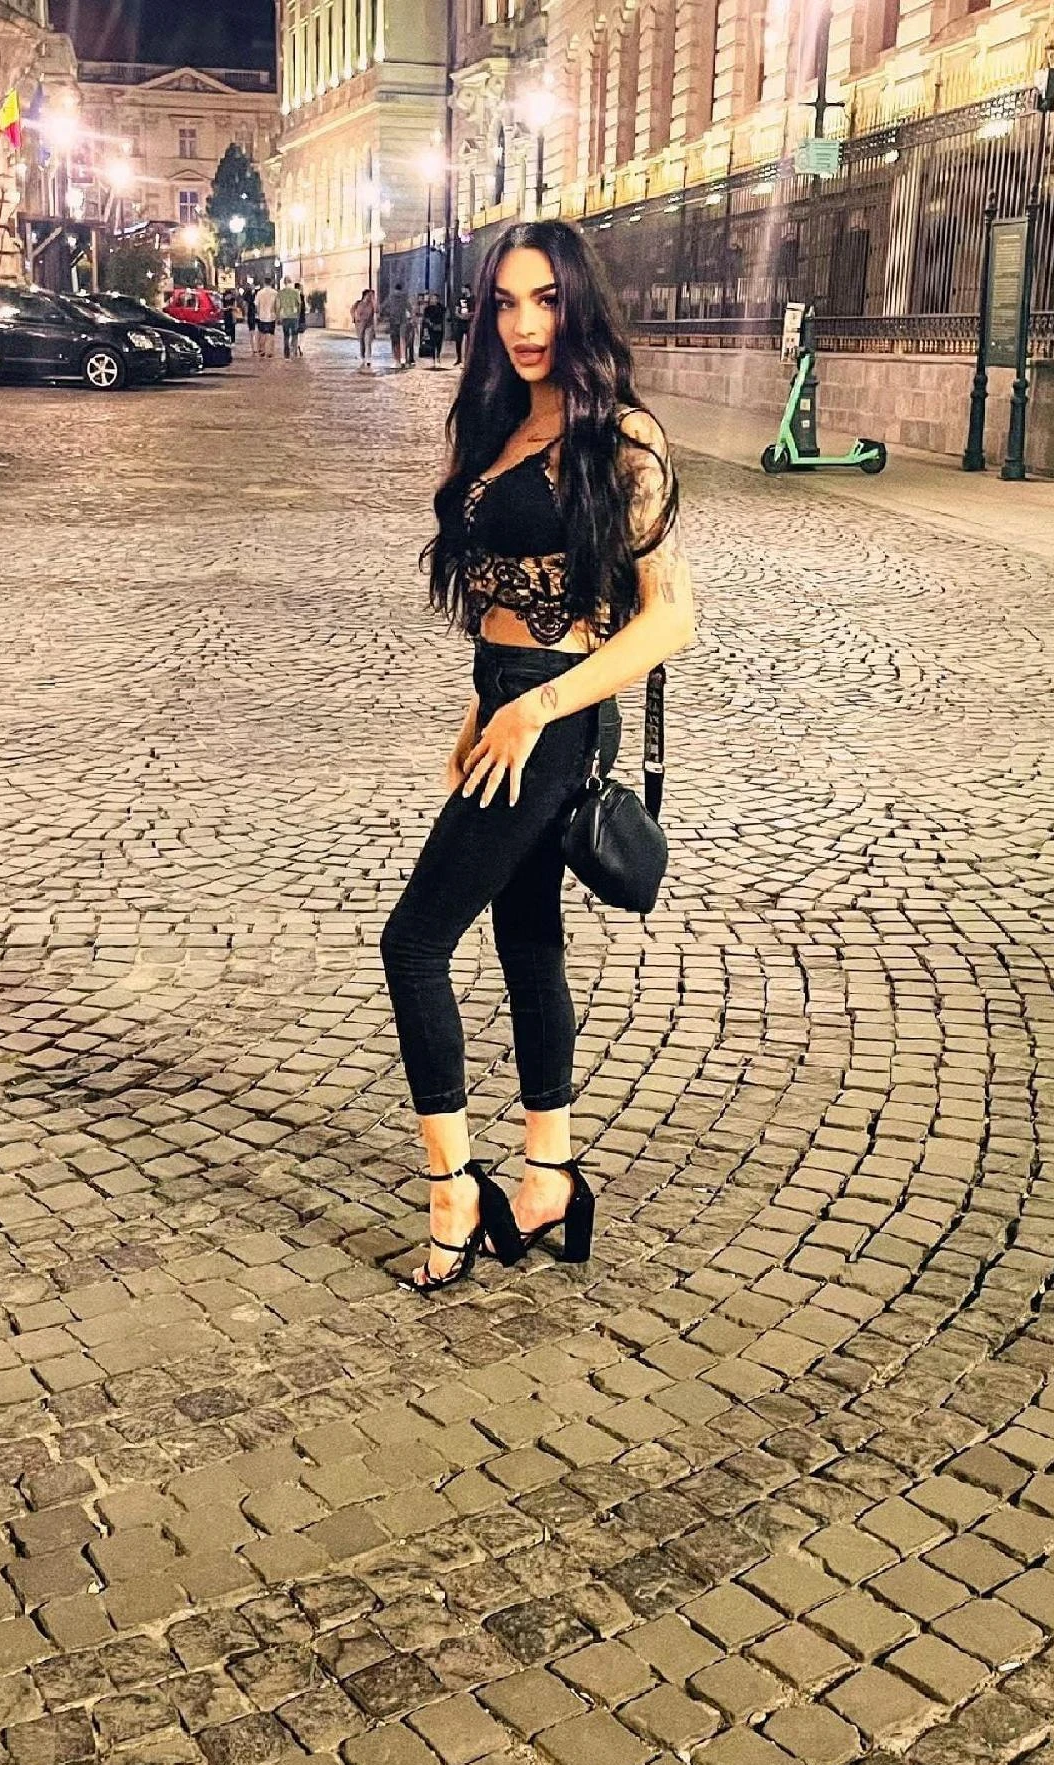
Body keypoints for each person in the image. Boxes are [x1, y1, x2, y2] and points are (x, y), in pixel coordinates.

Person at [379, 219, 695, 1293]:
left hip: (559, 719)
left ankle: (454, 1194)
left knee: (413, 941)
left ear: (580, 304)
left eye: (546, 300)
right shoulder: (502, 421)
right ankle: (549, 1172)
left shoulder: (623, 436)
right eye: (506, 302)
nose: (525, 324)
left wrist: (532, 711)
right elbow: (501, 600)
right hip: (509, 706)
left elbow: (669, 619)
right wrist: (483, 706)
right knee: (525, 939)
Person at [277, 275, 304, 358]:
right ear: (291, 282)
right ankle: (294, 351)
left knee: (286, 335)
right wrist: (298, 314)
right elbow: (299, 304)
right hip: (294, 316)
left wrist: (278, 316)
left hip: (285, 316)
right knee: (294, 335)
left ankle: (286, 353)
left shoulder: (281, 293)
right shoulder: (295, 292)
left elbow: (278, 306)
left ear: (284, 283)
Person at [351, 287, 377, 371]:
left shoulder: (372, 304)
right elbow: (352, 310)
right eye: (370, 295)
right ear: (365, 295)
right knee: (362, 342)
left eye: (372, 296)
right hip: (360, 325)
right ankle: (362, 356)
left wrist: (374, 301)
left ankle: (368, 358)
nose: (371, 297)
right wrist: (354, 318)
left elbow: (377, 310)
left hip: (369, 325)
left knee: (368, 341)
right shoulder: (358, 303)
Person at [385, 283, 409, 367]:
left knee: (394, 341)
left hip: (393, 321)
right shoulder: (404, 298)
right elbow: (409, 307)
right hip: (403, 320)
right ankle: (403, 358)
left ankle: (396, 359)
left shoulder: (390, 297)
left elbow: (384, 307)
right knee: (402, 339)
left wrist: (388, 313)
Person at [254, 276, 278, 357]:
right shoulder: (275, 293)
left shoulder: (260, 293)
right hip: (272, 316)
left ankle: (262, 350)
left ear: (264, 283)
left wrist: (258, 313)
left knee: (262, 333)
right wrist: (277, 315)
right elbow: (277, 305)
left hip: (262, 316)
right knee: (271, 334)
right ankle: (270, 351)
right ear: (271, 283)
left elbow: (257, 305)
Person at [421, 291, 446, 366]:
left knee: (439, 343)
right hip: (431, 327)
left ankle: (438, 357)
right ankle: (433, 359)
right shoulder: (427, 308)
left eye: (435, 299)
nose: (434, 300)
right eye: (432, 298)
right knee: (432, 343)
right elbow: (425, 318)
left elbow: (444, 312)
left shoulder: (441, 307)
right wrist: (429, 323)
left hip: (439, 327)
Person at [451, 289, 472, 365]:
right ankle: (459, 359)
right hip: (460, 323)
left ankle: (469, 359)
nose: (462, 290)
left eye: (464, 288)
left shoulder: (473, 299)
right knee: (458, 340)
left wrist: (469, 315)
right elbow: (456, 311)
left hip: (470, 322)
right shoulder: (460, 299)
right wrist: (460, 316)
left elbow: (476, 310)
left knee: (470, 342)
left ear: (468, 289)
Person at [242, 281, 259, 356]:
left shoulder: (258, 293)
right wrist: (245, 315)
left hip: (257, 314)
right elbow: (245, 304)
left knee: (257, 332)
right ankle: (254, 349)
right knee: (252, 332)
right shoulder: (247, 294)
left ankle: (257, 348)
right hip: (251, 314)